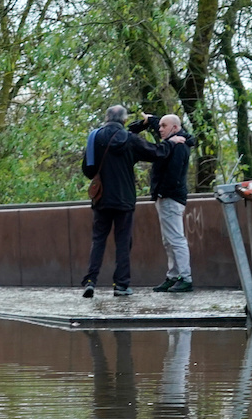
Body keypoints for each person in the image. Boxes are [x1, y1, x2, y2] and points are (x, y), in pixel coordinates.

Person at [81, 105, 165, 297]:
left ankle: (90, 281)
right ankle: (121, 285)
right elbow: (157, 152)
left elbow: (88, 170)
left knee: (98, 240)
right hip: (124, 198)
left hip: (101, 198)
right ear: (124, 120)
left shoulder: (95, 137)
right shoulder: (130, 139)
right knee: (123, 241)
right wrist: (155, 128)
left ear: (106, 118)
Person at [129, 112, 194, 291]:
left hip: (170, 197)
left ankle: (185, 278)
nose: (160, 129)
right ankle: (173, 276)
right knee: (169, 240)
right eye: (160, 126)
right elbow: (163, 123)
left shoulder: (178, 145)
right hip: (167, 197)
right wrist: (149, 120)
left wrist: (163, 193)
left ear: (174, 128)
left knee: (176, 239)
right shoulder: (175, 139)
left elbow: (173, 173)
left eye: (163, 127)